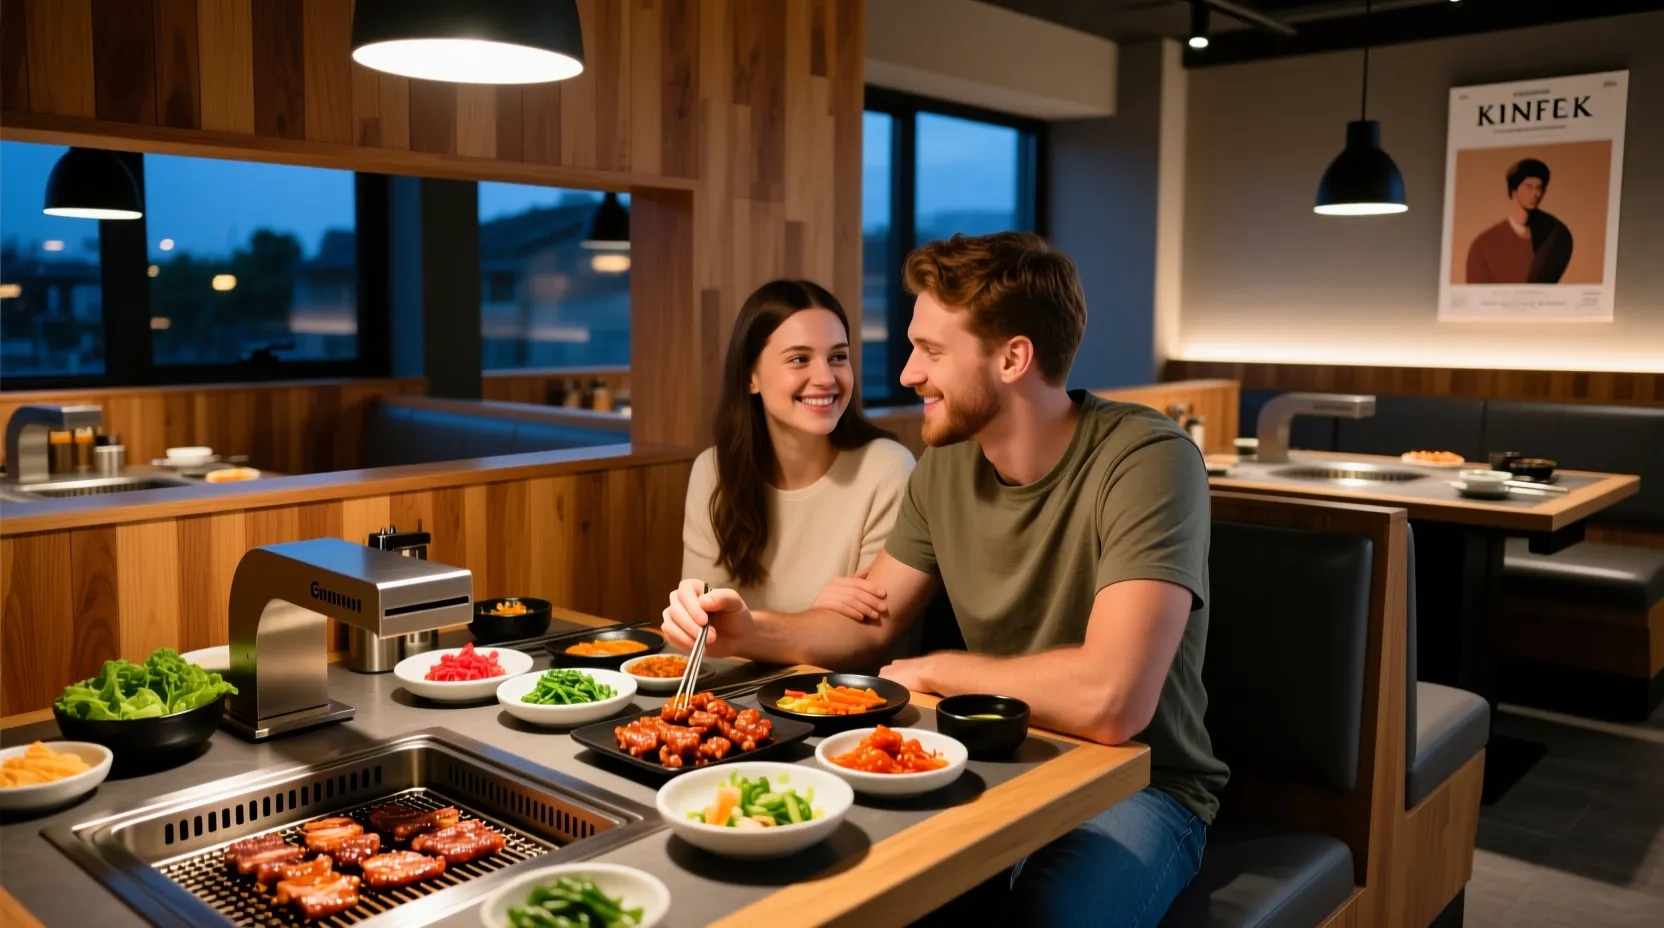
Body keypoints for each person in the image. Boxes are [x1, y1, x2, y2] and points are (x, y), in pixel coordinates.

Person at [664, 234, 1228, 926]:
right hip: (991, 760)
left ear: (1014, 357)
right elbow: (868, 618)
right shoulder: (945, 466)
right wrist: (752, 628)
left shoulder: (1147, 460)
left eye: (931, 352)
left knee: (1048, 913)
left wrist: (944, 669)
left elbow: (1113, 700)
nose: (906, 374)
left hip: (1141, 787)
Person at [681, 278, 914, 625]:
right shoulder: (714, 471)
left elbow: (864, 637)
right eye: (800, 359)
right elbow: (700, 634)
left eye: (838, 357)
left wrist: (749, 626)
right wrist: (813, 615)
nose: (825, 377)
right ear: (750, 378)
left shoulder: (888, 469)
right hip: (727, 680)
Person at [1465, 157, 1574, 284]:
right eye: (1529, 187)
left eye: (1539, 188)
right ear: (1514, 189)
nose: (1535, 193)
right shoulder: (1484, 244)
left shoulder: (1555, 234)